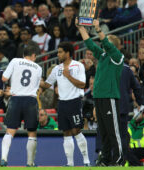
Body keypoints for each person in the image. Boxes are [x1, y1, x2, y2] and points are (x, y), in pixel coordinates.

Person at [77, 18, 124, 166]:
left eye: (107, 41)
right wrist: (81, 29)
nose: (103, 42)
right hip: (99, 97)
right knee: (103, 132)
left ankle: (118, 159)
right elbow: (90, 44)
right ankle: (105, 160)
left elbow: (106, 45)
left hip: (110, 97)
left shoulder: (117, 57)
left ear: (113, 45)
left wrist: (98, 29)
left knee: (113, 132)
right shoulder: (103, 56)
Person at [40, 42, 90, 166]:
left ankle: (86, 161)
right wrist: (36, 81)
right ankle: (70, 164)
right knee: (66, 132)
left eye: (60, 52)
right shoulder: (57, 68)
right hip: (62, 103)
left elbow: (83, 84)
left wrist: (68, 76)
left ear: (68, 53)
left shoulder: (78, 66)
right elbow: (47, 85)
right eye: (57, 52)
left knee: (76, 130)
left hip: (74, 101)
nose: (58, 54)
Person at [0, 45, 42, 167]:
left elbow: (4, 78)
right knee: (32, 132)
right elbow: (37, 86)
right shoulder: (38, 67)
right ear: (34, 55)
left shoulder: (15, 61)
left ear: (24, 54)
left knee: (10, 131)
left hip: (15, 99)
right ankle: (30, 163)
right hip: (30, 100)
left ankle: (3, 159)